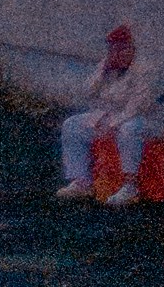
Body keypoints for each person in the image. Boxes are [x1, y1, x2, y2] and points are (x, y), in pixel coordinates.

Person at [59, 21, 145, 199]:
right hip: (109, 116)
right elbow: (88, 91)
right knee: (72, 125)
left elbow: (138, 104)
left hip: (139, 119)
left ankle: (130, 185)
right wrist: (102, 72)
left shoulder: (143, 70)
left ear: (131, 50)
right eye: (114, 50)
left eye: (122, 49)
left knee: (129, 130)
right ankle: (82, 181)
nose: (118, 54)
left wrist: (114, 123)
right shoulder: (107, 67)